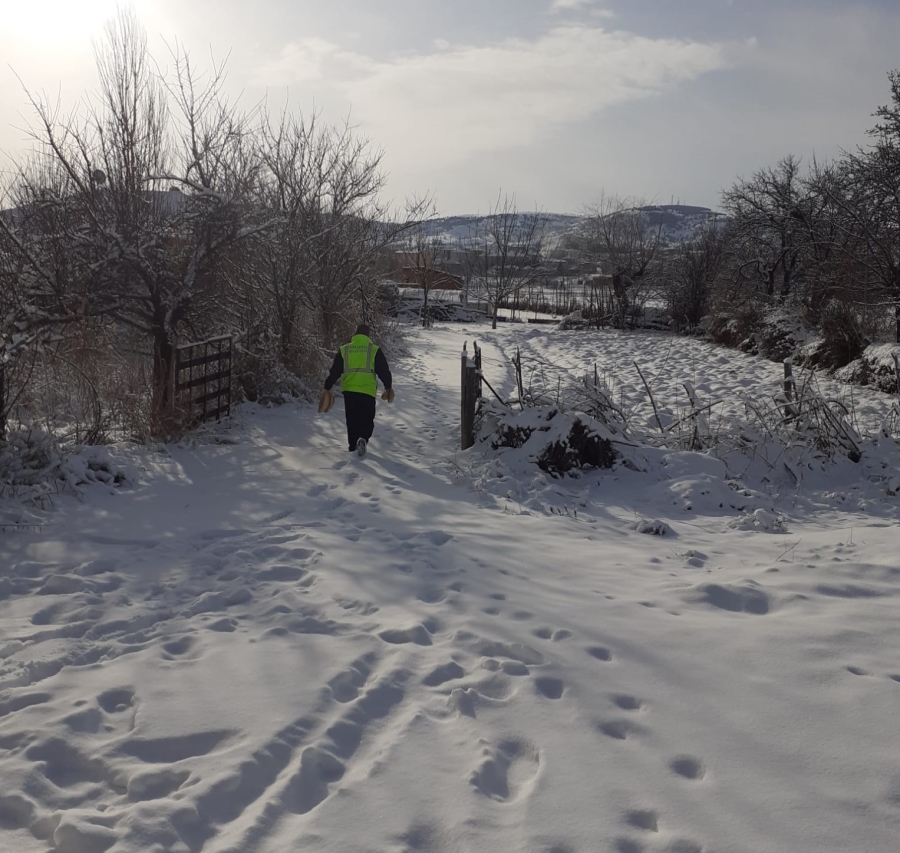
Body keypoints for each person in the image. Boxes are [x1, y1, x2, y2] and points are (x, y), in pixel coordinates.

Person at [319, 324, 394, 456]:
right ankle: (363, 438)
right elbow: (384, 371)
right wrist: (388, 386)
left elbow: (335, 371)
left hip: (349, 390)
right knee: (367, 418)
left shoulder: (345, 349)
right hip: (367, 390)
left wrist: (327, 386)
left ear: (355, 334)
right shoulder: (374, 350)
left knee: (352, 418)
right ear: (368, 335)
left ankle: (353, 445)